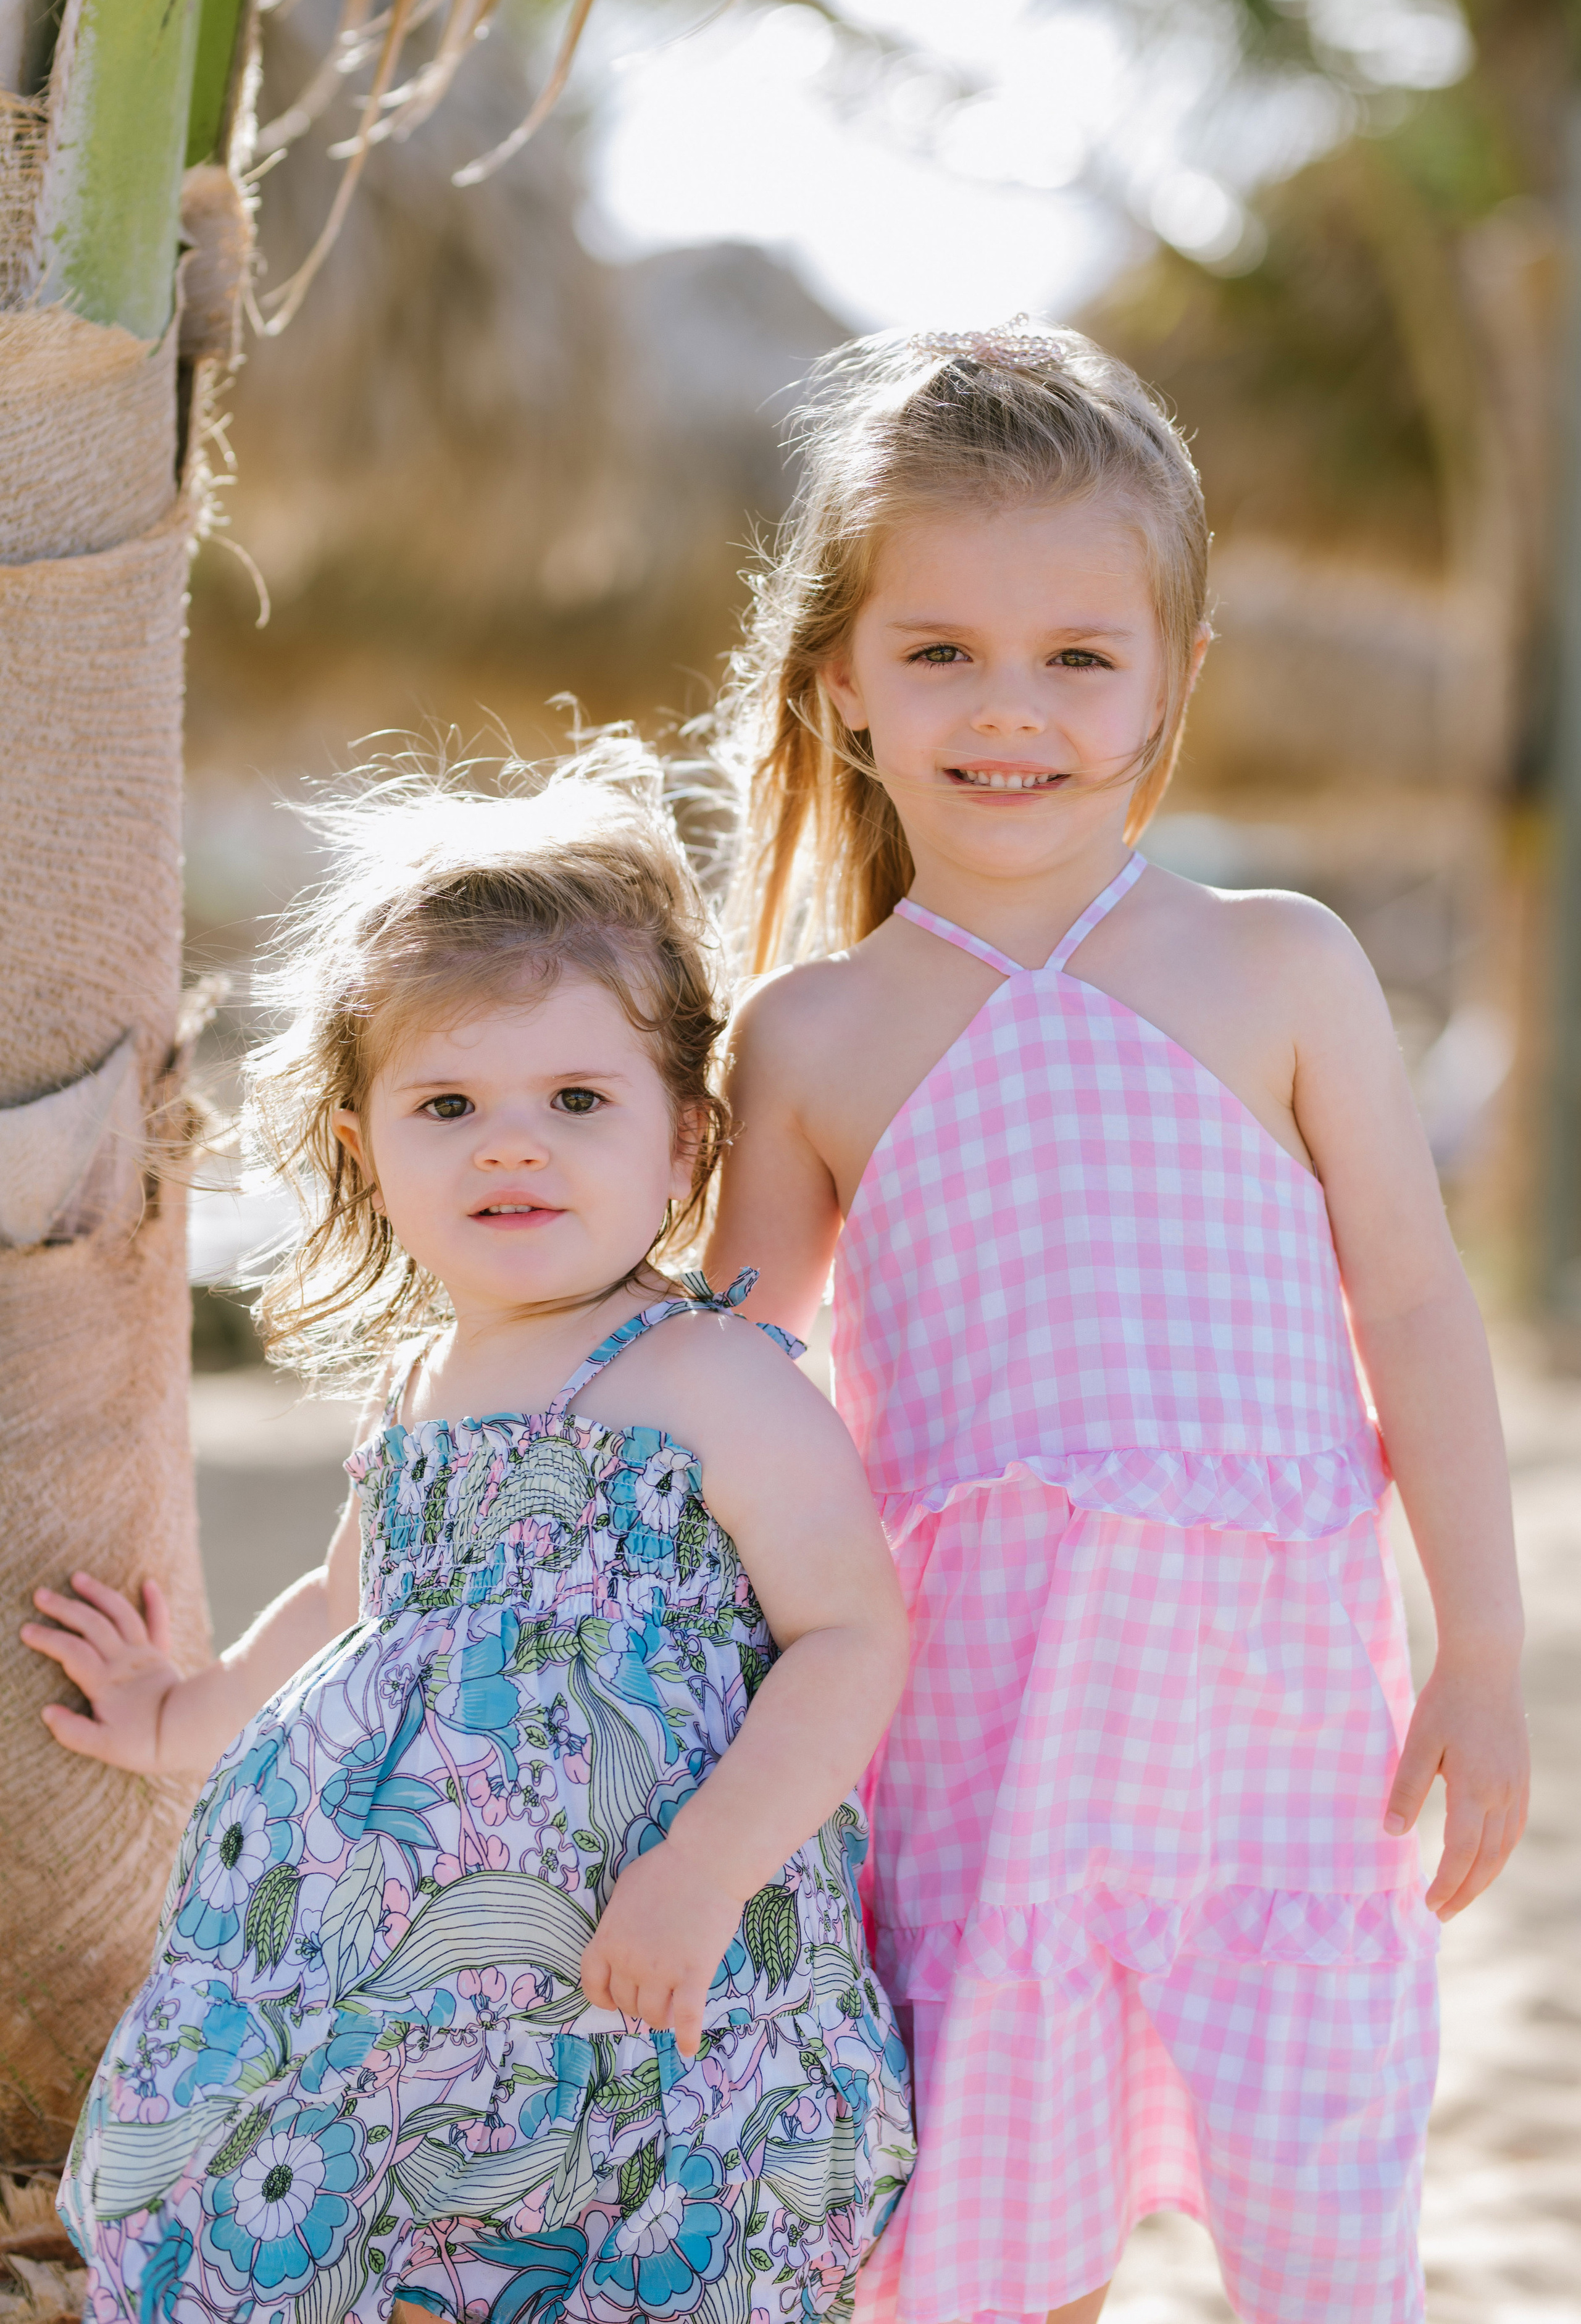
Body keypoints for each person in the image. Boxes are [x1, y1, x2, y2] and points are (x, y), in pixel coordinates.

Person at [705, 319, 1529, 2324]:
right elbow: (730, 1389)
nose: (1015, 711)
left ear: (1171, 678)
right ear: (843, 682)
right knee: (1003, 2255)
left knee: (1331, 2251)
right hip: (986, 1755)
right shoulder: (812, 1039)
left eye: (1080, 656)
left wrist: (1486, 1645)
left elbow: (1415, 1309)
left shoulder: (1278, 968)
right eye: (944, 653)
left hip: (1276, 1751)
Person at [26, 750, 916, 2324]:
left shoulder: (710, 1373)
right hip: (398, 2000)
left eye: (577, 1101)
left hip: (642, 1978)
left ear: (688, 1145)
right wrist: (185, 1711)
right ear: (366, 1148)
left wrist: (706, 1874)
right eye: (449, 1106)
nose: (514, 1146)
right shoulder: (420, 1383)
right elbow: (356, 1609)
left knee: (618, 2259)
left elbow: (852, 1636)